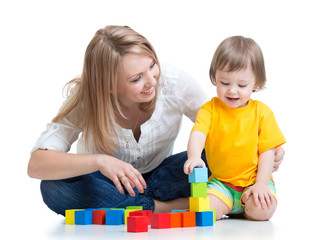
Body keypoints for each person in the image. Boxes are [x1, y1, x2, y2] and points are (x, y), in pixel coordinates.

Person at [28, 26, 285, 216]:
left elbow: (222, 125)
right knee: (52, 187)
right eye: (136, 78)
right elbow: (37, 165)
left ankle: (135, 206)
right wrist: (100, 161)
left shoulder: (174, 83)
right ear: (108, 86)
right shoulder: (87, 98)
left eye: (152, 65)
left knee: (207, 159)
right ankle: (169, 207)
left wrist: (266, 148)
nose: (152, 80)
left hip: (163, 179)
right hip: (109, 185)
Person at [184, 36, 286, 221]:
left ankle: (247, 206)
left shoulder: (262, 112)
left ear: (256, 83)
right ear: (215, 77)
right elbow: (198, 133)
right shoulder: (210, 109)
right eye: (224, 83)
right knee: (202, 212)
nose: (232, 91)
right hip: (221, 184)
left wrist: (262, 184)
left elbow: (267, 151)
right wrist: (194, 157)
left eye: (241, 85)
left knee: (262, 211)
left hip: (254, 182)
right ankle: (226, 206)